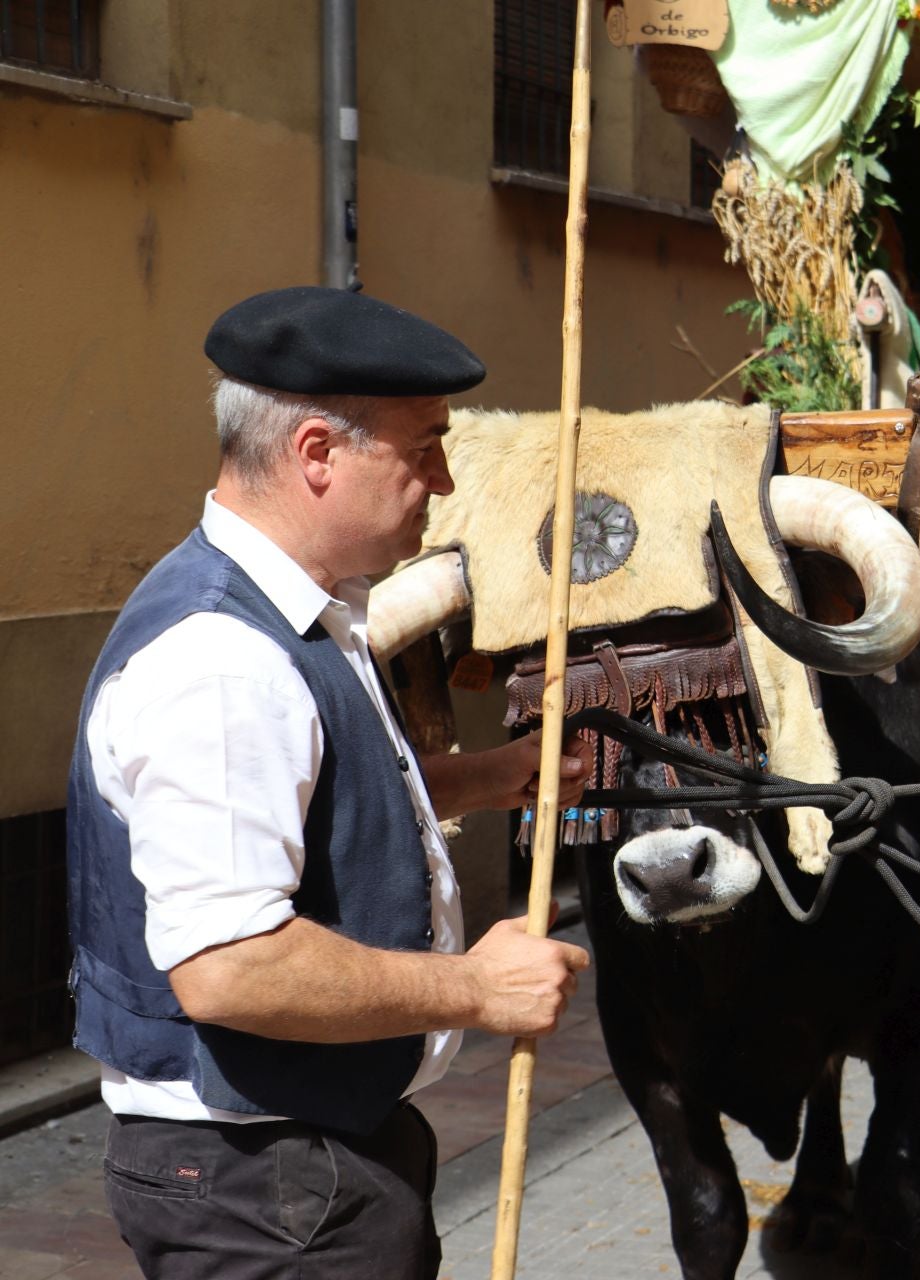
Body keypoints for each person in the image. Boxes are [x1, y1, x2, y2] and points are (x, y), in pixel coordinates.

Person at [68, 287, 596, 1277]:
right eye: (424, 446)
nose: (441, 478)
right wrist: (477, 988)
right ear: (318, 452)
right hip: (261, 1185)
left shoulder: (300, 608)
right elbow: (232, 963)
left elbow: (301, 800)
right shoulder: (223, 660)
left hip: (297, 1171)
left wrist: (485, 777)